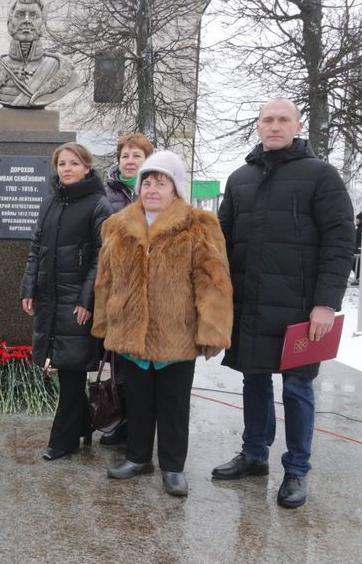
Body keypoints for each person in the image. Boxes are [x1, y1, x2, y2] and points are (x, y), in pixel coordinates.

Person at [212, 98, 354, 509]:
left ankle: (296, 469)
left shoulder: (322, 176)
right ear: (258, 126)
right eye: (267, 120)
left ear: (297, 125)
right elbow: (221, 243)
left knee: (296, 388)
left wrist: (326, 303)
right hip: (251, 303)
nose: (274, 126)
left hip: (300, 309)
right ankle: (255, 454)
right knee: (253, 380)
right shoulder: (239, 179)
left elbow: (339, 242)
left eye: (283, 120)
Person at [92, 151, 233, 496]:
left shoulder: (199, 224)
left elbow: (213, 280)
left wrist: (212, 329)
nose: (152, 188)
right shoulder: (117, 225)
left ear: (175, 188)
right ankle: (138, 457)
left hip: (176, 333)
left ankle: (173, 466)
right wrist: (104, 323)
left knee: (173, 402)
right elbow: (105, 280)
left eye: (161, 181)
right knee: (137, 400)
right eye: (147, 181)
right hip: (131, 330)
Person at [20, 142, 112, 460]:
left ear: (87, 167)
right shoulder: (50, 203)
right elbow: (36, 248)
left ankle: (63, 439)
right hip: (50, 297)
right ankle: (83, 425)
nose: (67, 169)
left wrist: (88, 299)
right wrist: (28, 288)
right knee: (63, 366)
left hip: (77, 300)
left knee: (72, 369)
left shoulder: (99, 204)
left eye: (74, 163)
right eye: (62, 164)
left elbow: (103, 257)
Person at [100, 131, 155, 446]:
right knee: (120, 358)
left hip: (152, 290)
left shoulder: (160, 191)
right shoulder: (106, 194)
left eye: (137, 155)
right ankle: (122, 420)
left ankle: (145, 423)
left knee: (147, 360)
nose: (131, 161)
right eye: (126, 156)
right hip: (118, 287)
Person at [0, 0, 80, 107]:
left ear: (44, 25)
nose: (26, 20)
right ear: (9, 24)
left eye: (34, 15)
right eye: (20, 15)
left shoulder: (61, 70)